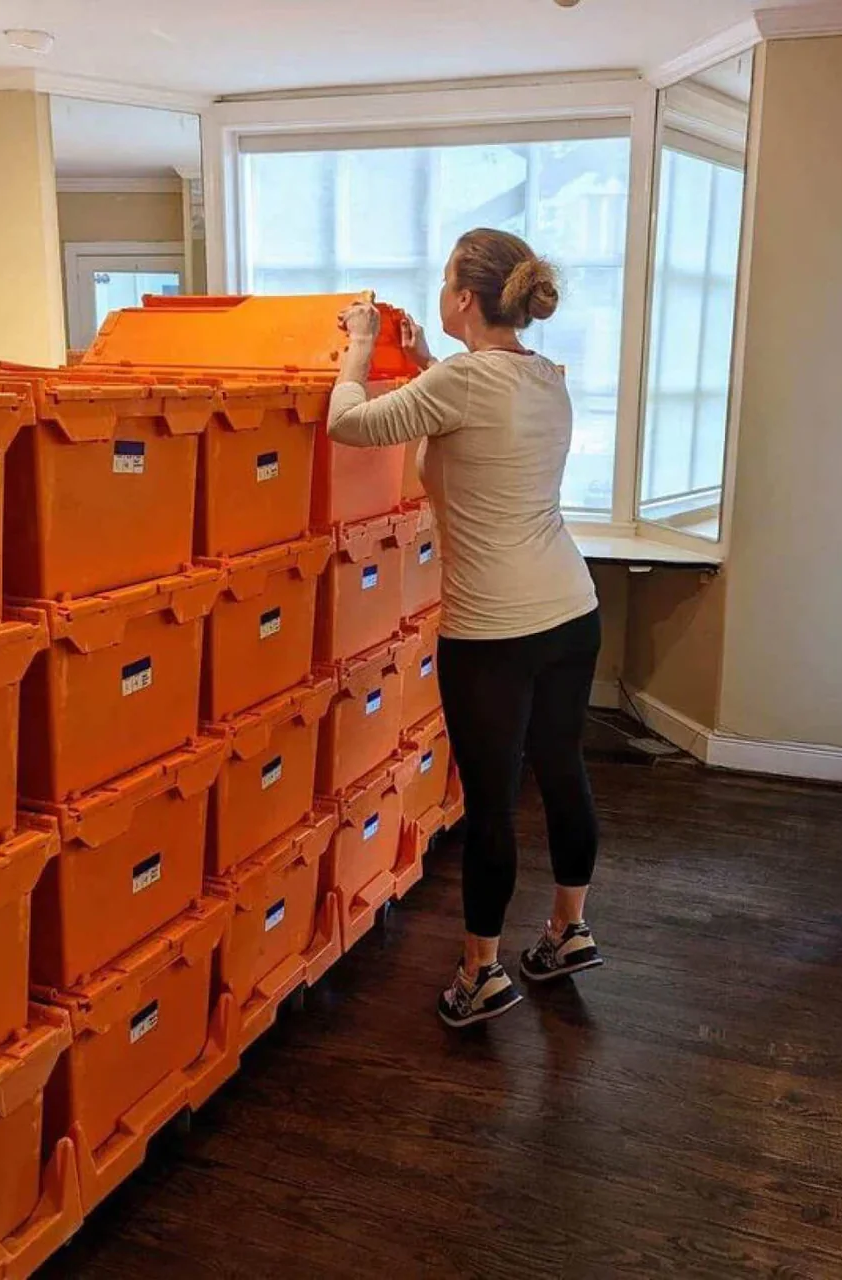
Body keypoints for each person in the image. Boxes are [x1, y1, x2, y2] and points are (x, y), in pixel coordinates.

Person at [328, 228, 604, 1029]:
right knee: (561, 771)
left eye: (447, 279)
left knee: (489, 803)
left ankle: (481, 976)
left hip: (493, 632)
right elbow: (483, 425)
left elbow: (349, 421)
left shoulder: (457, 382)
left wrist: (362, 343)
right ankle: (568, 930)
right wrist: (421, 365)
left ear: (462, 298)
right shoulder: (545, 377)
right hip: (571, 611)